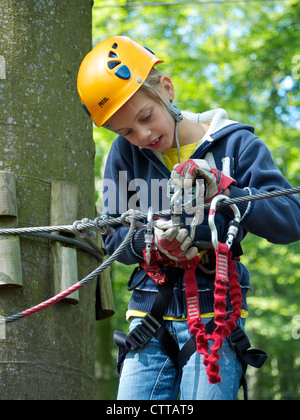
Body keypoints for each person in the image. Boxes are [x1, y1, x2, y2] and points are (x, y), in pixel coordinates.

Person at [77, 36, 300, 400]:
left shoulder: (236, 146)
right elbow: (113, 237)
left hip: (217, 315)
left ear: (166, 89)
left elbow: (291, 219)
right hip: (148, 313)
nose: (143, 135)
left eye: (145, 117)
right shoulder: (125, 156)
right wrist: (148, 241)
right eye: (127, 131)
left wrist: (225, 196)